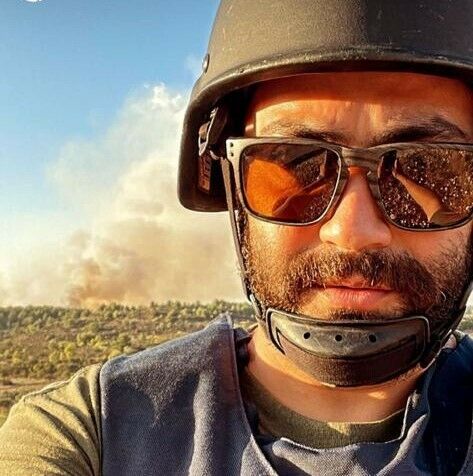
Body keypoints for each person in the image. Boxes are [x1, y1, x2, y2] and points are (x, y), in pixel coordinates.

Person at [1, 1, 473, 474]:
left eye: (430, 170)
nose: (352, 232)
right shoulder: (94, 430)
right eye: (296, 165)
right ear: (230, 184)